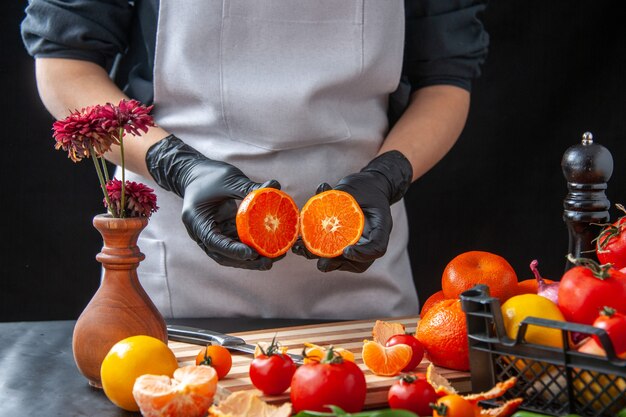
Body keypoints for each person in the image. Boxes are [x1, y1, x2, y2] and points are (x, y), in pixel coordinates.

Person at [21, 0, 489, 319]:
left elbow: (446, 81)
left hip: (363, 274)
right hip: (178, 271)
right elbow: (64, 66)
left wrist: (388, 176)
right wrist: (177, 166)